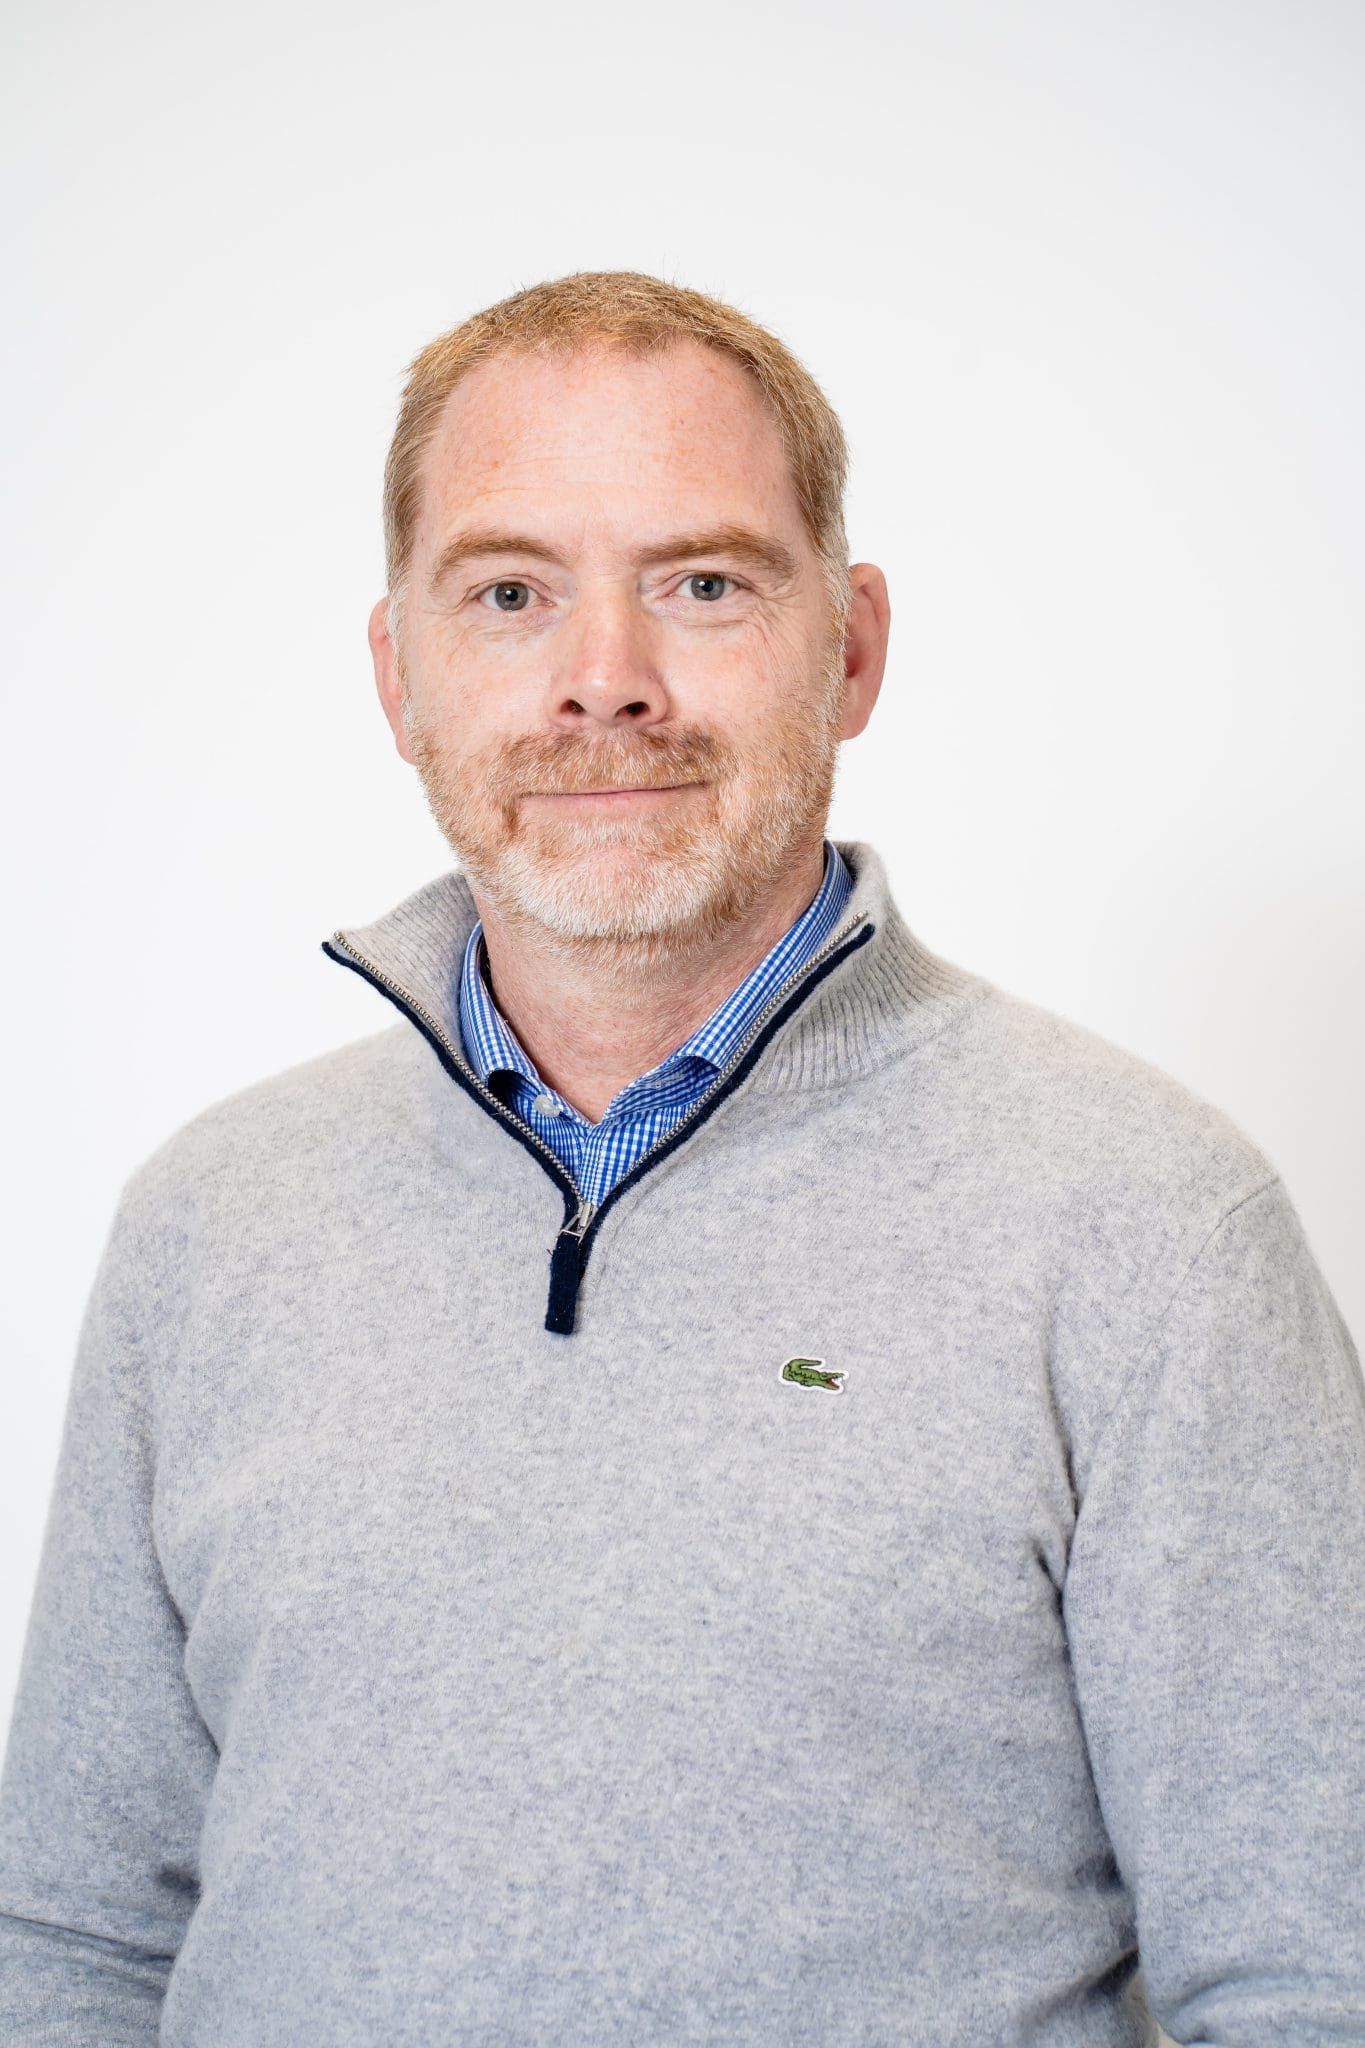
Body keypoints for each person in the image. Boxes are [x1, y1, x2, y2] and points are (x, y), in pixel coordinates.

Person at [1, 269, 1361, 2047]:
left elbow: (1314, 1977)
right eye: (509, 594)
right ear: (399, 672)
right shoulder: (210, 1219)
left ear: (851, 649)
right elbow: (77, 1941)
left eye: (702, 584)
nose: (604, 685)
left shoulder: (1149, 1226)